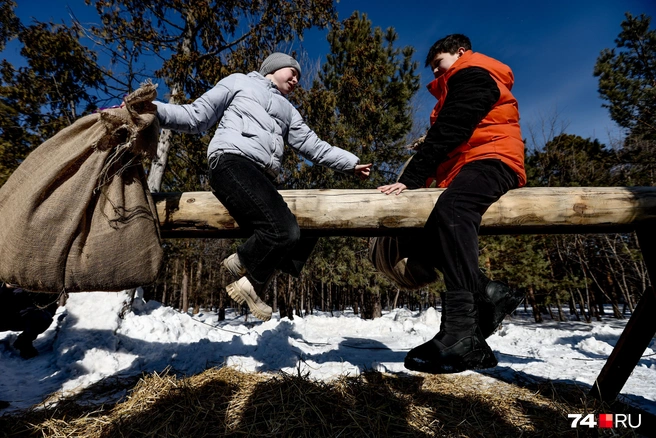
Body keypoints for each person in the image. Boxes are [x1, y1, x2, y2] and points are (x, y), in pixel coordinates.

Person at [154, 52, 372, 321]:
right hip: (230, 162)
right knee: (285, 232)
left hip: (261, 175)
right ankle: (246, 267)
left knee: (307, 227)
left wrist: (350, 163)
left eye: (299, 77)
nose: (296, 79)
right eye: (291, 71)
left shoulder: (289, 111)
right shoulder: (239, 83)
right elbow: (195, 116)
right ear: (273, 68)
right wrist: (152, 110)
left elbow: (314, 146)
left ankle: (248, 271)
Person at [378, 34, 525, 373]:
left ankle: (461, 331)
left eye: (438, 64)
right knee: (430, 233)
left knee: (454, 210)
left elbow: (453, 127)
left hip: (493, 159)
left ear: (460, 53)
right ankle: (486, 295)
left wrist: (412, 179)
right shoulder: (460, 80)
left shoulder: (472, 72)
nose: (434, 73)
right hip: (471, 163)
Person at [0, 282, 58, 359]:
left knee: (43, 317)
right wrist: (5, 287)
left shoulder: (36, 279)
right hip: (3, 315)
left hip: (23, 317)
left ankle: (24, 342)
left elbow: (49, 304)